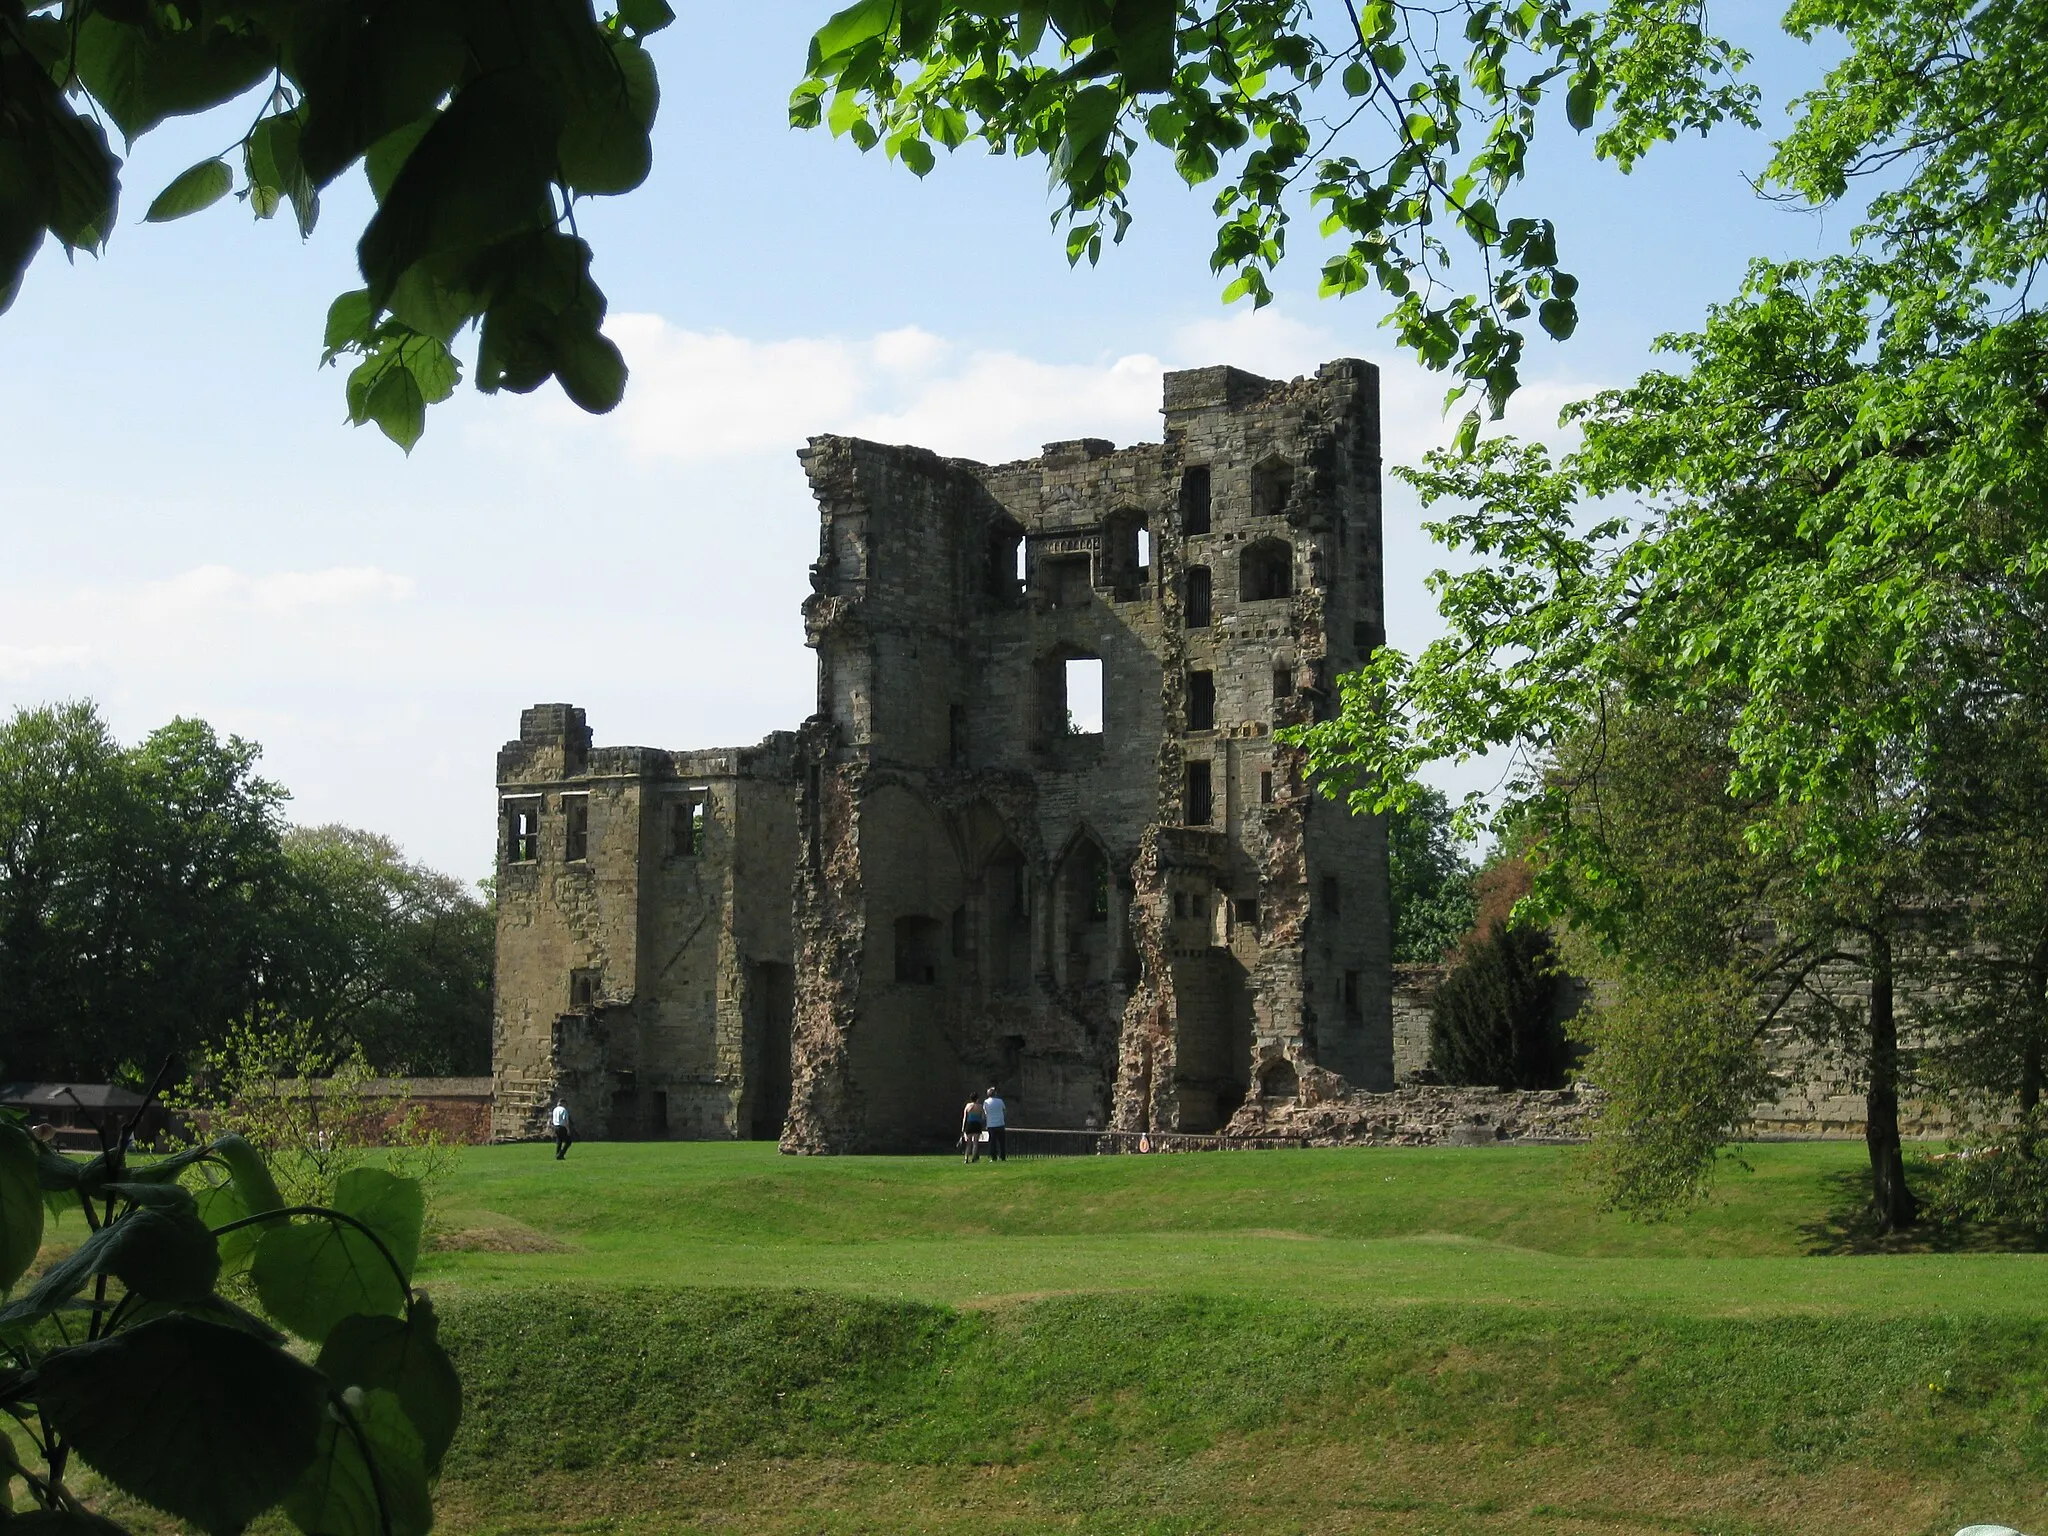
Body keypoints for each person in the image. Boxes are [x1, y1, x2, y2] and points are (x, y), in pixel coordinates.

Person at [982, 1086, 1008, 1162]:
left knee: (992, 1142)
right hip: (1000, 1123)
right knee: (1002, 1142)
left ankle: (994, 1157)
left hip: (991, 1125)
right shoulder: (1000, 1101)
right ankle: (1003, 1157)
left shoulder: (986, 1102)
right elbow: (1005, 1111)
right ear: (995, 1093)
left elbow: (985, 1113)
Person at [960, 1096, 986, 1163]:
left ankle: (966, 1158)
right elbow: (983, 1117)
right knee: (975, 1142)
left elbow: (965, 1117)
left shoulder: (968, 1105)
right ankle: (973, 1158)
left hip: (969, 1124)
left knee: (968, 1143)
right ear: (977, 1099)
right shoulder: (980, 1106)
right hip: (977, 1124)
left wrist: (963, 1128)